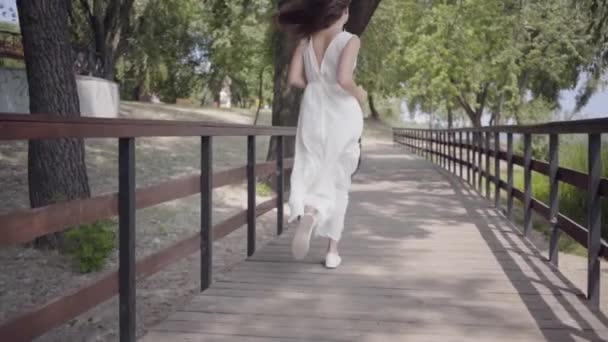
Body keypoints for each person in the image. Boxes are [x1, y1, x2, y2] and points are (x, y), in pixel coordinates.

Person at [277, 0, 366, 268]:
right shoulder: (349, 40)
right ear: (345, 13)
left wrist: (315, 87)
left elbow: (293, 80)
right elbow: (343, 79)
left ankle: (309, 210)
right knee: (339, 178)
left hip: (313, 109)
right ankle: (331, 250)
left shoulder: (305, 40)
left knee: (313, 165)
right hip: (342, 112)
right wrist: (359, 93)